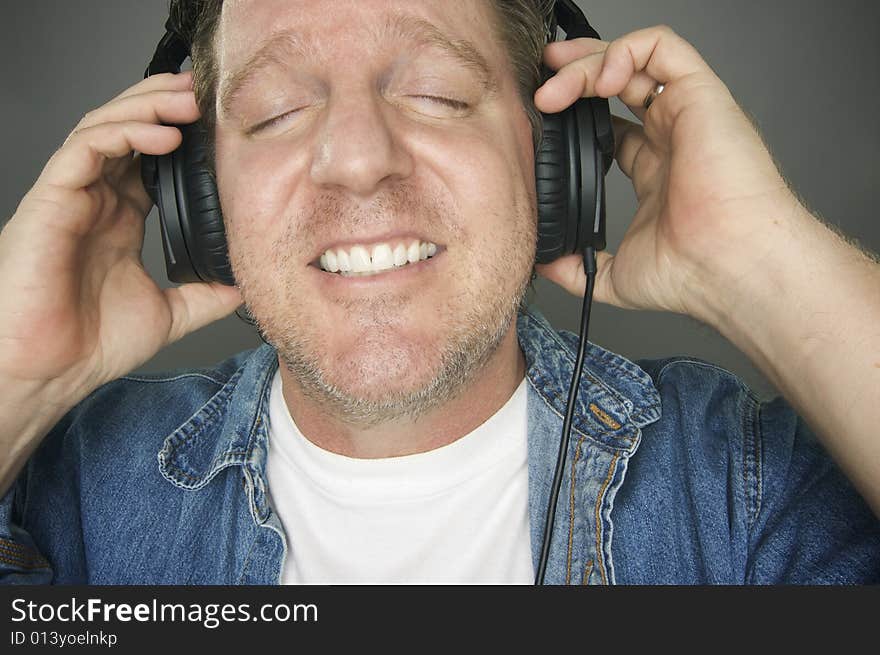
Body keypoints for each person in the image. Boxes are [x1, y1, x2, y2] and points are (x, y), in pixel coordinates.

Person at [0, 0, 877, 585]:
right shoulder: (73, 490)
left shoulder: (743, 489)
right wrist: (14, 368)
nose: (356, 159)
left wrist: (758, 261)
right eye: (271, 113)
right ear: (199, 193)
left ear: (555, 158)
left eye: (436, 93)